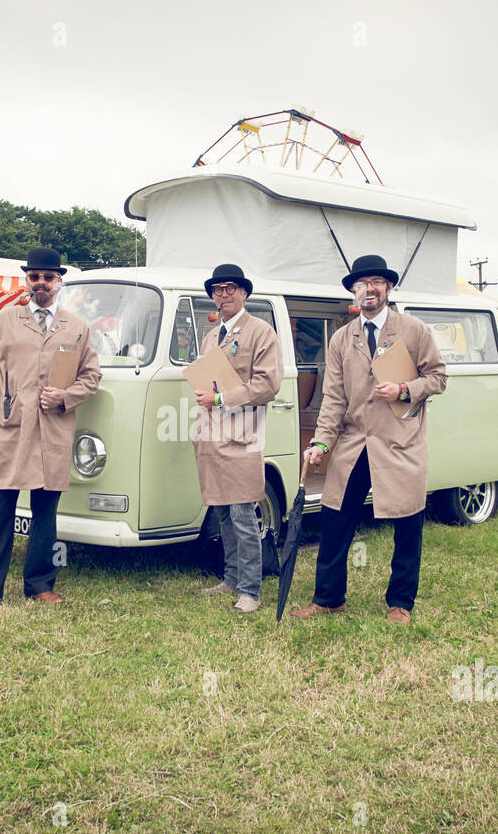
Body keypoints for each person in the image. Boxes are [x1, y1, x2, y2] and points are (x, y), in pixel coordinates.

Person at [289, 254, 447, 626]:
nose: (369, 289)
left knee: (408, 523)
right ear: (354, 293)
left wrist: (405, 388)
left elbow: (438, 377)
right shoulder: (343, 338)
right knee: (334, 519)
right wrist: (322, 443)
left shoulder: (413, 330)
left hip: (400, 441)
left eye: (377, 282)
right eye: (362, 284)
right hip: (355, 442)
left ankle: (400, 603)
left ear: (388, 288)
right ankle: (328, 599)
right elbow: (333, 398)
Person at [0, 247, 102, 614]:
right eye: (34, 277)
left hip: (53, 430)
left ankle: (40, 584)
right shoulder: (5, 320)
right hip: (11, 428)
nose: (41, 283)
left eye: (48, 277)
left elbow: (91, 377)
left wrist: (65, 396)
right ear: (27, 281)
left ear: (59, 282)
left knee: (45, 512)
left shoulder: (76, 327)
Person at [192, 263, 283, 615]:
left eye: (230, 288)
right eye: (217, 289)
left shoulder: (261, 332)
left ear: (244, 292)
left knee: (244, 512)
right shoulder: (210, 335)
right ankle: (230, 578)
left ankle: (251, 590)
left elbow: (268, 385)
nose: (223, 294)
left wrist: (219, 399)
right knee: (223, 512)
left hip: (243, 437)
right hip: (212, 437)